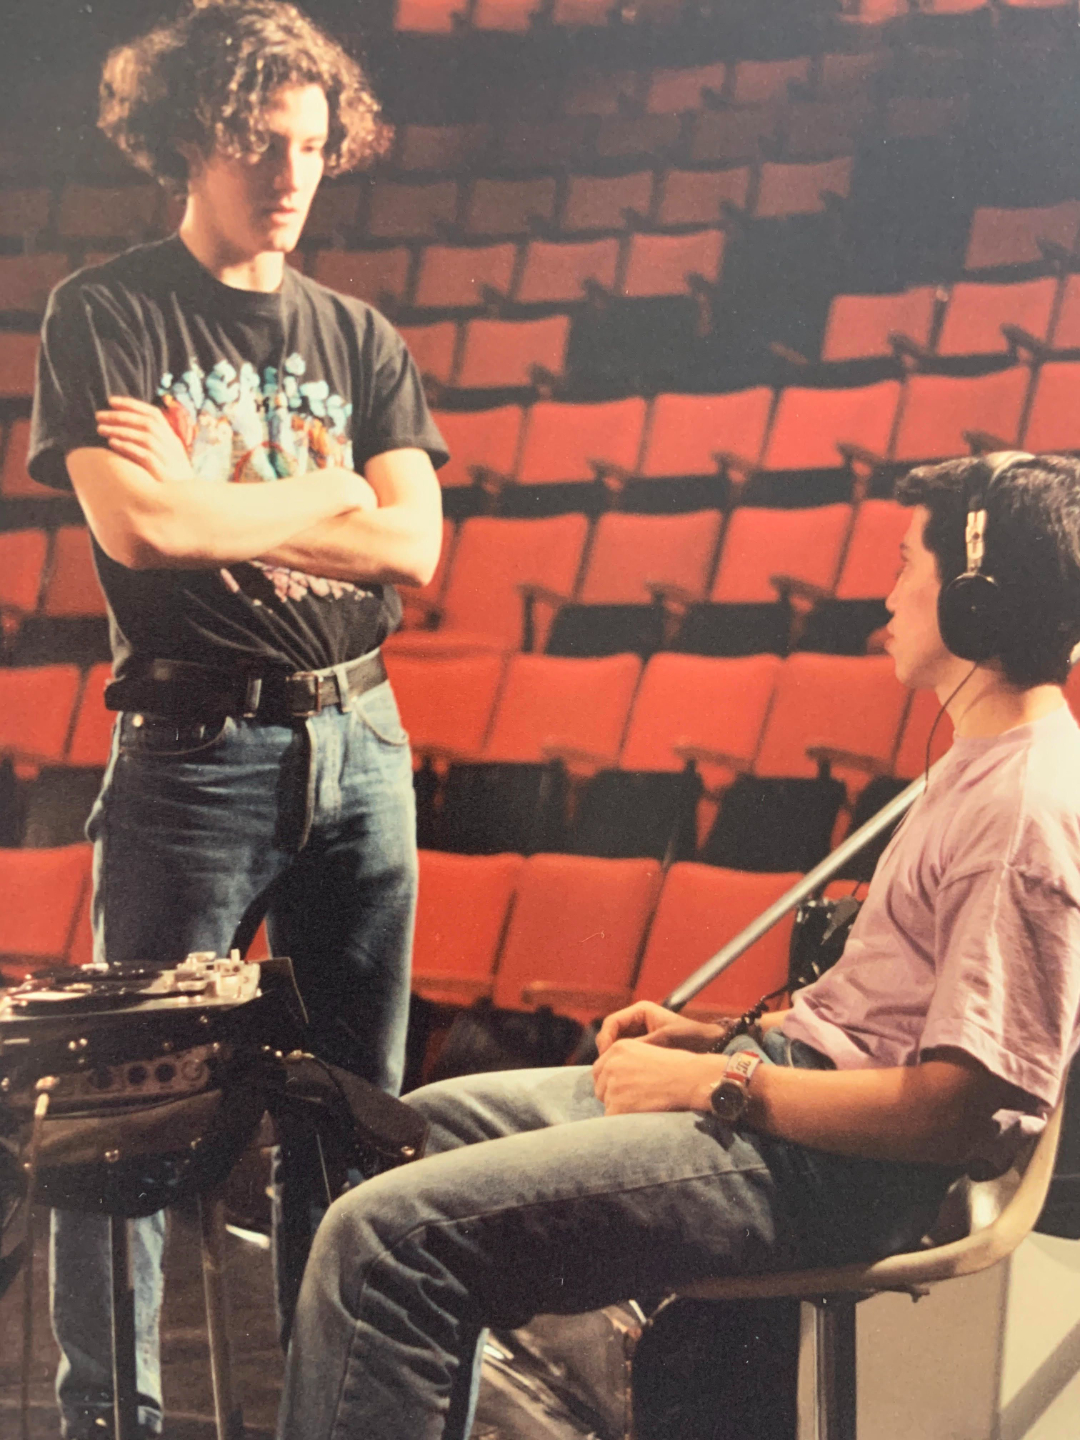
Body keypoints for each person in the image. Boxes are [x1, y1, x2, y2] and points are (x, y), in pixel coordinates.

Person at [278, 452, 1080, 1440]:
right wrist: (713, 1040)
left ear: (973, 603)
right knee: (404, 1131)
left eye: (905, 564)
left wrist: (722, 1084)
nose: (886, 593)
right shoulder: (978, 763)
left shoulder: (1026, 811)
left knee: (385, 1242)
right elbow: (890, 1016)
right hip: (792, 1105)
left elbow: (962, 1111)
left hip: (832, 1169)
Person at [27, 3, 447, 1436]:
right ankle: (113, 1421)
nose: (290, 173)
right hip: (191, 755)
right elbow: (143, 530)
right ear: (189, 140)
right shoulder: (108, 312)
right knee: (127, 1120)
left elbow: (414, 549)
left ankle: (340, 1413)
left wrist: (225, 499)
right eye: (260, 142)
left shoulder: (360, 335)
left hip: (362, 743)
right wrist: (328, 490)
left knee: (350, 1113)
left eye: (313, 146)